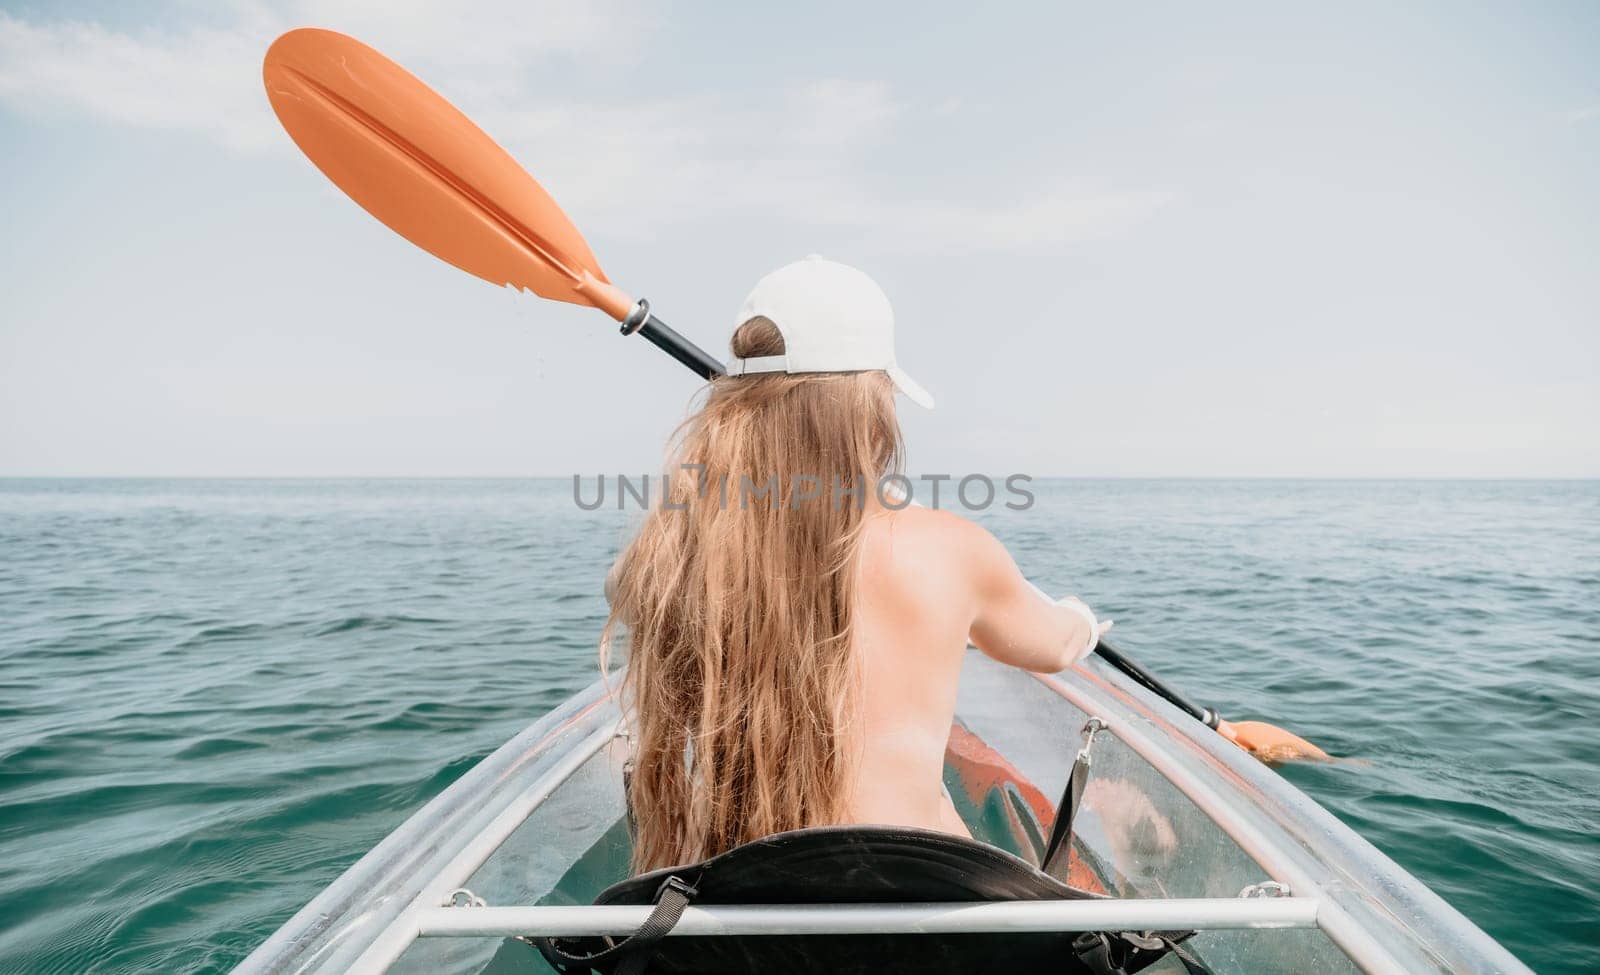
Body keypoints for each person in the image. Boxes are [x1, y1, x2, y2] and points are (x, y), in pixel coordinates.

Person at [603, 256, 1110, 874]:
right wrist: (1082, 618)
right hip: (917, 891)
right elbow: (1054, 645)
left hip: (746, 897)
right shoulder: (951, 549)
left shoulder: (673, 551)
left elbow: (625, 591)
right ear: (872, 410)